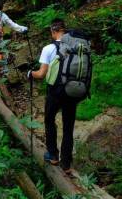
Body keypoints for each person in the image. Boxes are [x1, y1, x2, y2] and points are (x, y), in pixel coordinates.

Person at [28, 18, 87, 175]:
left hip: (55, 91)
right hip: (73, 90)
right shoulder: (77, 46)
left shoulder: (49, 48)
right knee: (68, 127)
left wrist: (30, 73)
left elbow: (41, 74)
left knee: (49, 119)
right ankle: (66, 164)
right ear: (65, 30)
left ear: (53, 31)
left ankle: (53, 155)